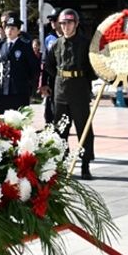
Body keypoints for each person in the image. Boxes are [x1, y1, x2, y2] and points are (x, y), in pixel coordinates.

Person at [42, 9, 97, 180]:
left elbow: (93, 68)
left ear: (76, 24)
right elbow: (49, 65)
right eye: (63, 23)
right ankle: (62, 165)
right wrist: (57, 78)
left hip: (79, 90)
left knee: (84, 130)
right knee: (60, 130)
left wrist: (85, 80)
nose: (66, 26)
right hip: (61, 91)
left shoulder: (85, 43)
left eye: (69, 23)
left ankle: (85, 165)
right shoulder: (56, 44)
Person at [0, 13, 38, 114]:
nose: (9, 31)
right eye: (7, 28)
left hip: (20, 90)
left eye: (13, 28)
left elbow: (33, 67)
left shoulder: (25, 46)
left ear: (18, 31)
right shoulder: (1, 44)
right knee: (2, 119)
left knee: (19, 119)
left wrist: (29, 85)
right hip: (3, 90)